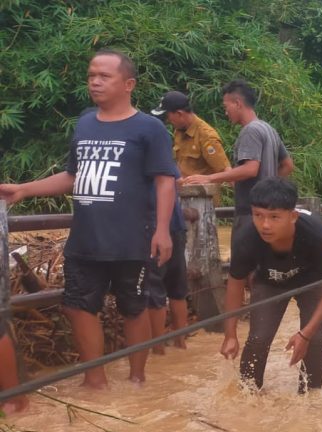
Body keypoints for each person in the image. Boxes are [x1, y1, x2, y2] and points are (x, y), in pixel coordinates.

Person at [0, 50, 176, 389]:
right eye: (91, 75)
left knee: (134, 308)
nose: (94, 81)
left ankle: (137, 378)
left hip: (130, 239)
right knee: (79, 307)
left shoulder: (149, 128)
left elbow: (164, 179)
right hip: (85, 239)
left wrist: (163, 230)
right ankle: (94, 379)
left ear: (128, 84)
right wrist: (24, 189)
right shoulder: (85, 122)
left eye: (104, 76)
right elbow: (72, 176)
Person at [219, 177, 322, 393]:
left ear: (292, 216)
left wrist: (305, 334)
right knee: (258, 338)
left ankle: (312, 399)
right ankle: (248, 396)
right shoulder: (246, 238)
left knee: (314, 340)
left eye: (274, 217)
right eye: (258, 216)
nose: (265, 225)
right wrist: (230, 334)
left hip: (312, 283)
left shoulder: (316, 234)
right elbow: (235, 283)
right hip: (270, 282)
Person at [151, 91, 226, 352]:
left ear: (180, 114)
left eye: (170, 116)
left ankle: (166, 346)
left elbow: (224, 172)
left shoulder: (206, 136)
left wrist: (202, 180)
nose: (169, 122)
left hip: (197, 214)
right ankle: (174, 343)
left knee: (168, 281)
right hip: (177, 207)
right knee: (177, 278)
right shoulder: (179, 133)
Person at [182, 79, 293, 247]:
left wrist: (210, 178)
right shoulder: (268, 128)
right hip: (268, 212)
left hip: (250, 213)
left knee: (243, 266)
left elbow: (250, 169)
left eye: (226, 107)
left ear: (238, 103)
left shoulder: (250, 131)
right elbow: (288, 165)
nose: (226, 112)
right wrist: (268, 186)